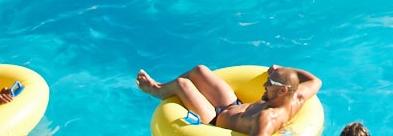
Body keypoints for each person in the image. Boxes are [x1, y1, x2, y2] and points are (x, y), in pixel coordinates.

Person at [135, 64, 320, 134]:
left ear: (282, 91)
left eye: (270, 83)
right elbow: (316, 80)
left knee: (183, 85)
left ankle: (156, 90)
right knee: (200, 70)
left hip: (214, 121)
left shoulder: (268, 118)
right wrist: (282, 70)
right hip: (234, 105)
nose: (264, 85)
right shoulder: (297, 96)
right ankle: (159, 87)